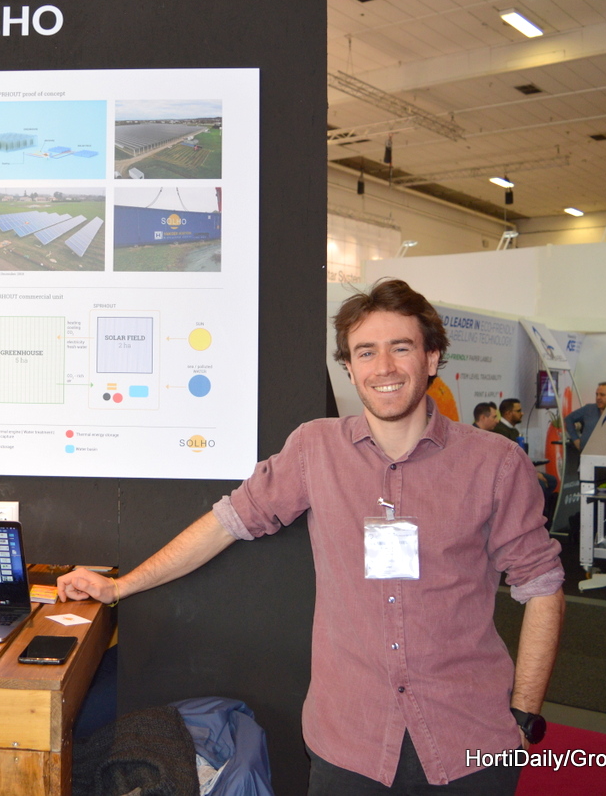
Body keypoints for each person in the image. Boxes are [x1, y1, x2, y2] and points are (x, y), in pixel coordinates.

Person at [57, 279, 564, 794]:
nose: (383, 367)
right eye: (366, 352)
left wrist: (523, 717)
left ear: (431, 357)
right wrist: (119, 587)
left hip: (469, 740)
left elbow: (543, 587)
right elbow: (225, 523)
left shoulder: (495, 463)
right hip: (351, 742)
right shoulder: (315, 449)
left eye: (401, 348)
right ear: (349, 367)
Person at [566, 382, 606, 451]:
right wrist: (575, 439)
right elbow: (568, 419)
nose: (598, 398)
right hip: (586, 453)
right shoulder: (589, 409)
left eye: (602, 395)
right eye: (597, 394)